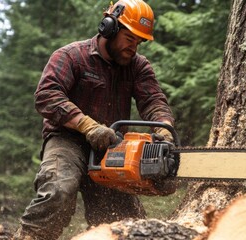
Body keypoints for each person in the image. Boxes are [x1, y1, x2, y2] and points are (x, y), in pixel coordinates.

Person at [13, 0, 174, 239]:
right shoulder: (71, 56)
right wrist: (87, 125)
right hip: (67, 139)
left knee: (125, 222)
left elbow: (153, 101)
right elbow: (47, 95)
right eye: (130, 39)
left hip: (111, 145)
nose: (134, 48)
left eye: (139, 42)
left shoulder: (137, 66)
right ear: (109, 28)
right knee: (58, 190)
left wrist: (165, 129)